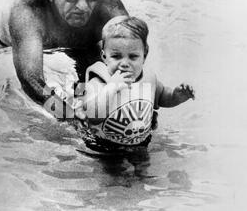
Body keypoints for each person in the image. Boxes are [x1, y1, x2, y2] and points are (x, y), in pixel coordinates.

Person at [0, 0, 128, 115]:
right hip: (4, 43)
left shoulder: (108, 7)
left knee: (91, 83)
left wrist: (145, 104)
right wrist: (70, 118)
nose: (83, 6)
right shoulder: (28, 10)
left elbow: (133, 61)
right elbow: (32, 82)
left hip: (85, 47)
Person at [82, 15, 195, 152]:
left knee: (144, 170)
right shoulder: (98, 82)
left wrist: (177, 96)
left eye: (133, 57)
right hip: (103, 144)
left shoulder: (148, 79)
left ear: (144, 55)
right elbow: (92, 117)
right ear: (104, 56)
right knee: (113, 172)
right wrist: (111, 87)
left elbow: (162, 97)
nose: (124, 63)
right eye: (116, 56)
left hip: (141, 142)